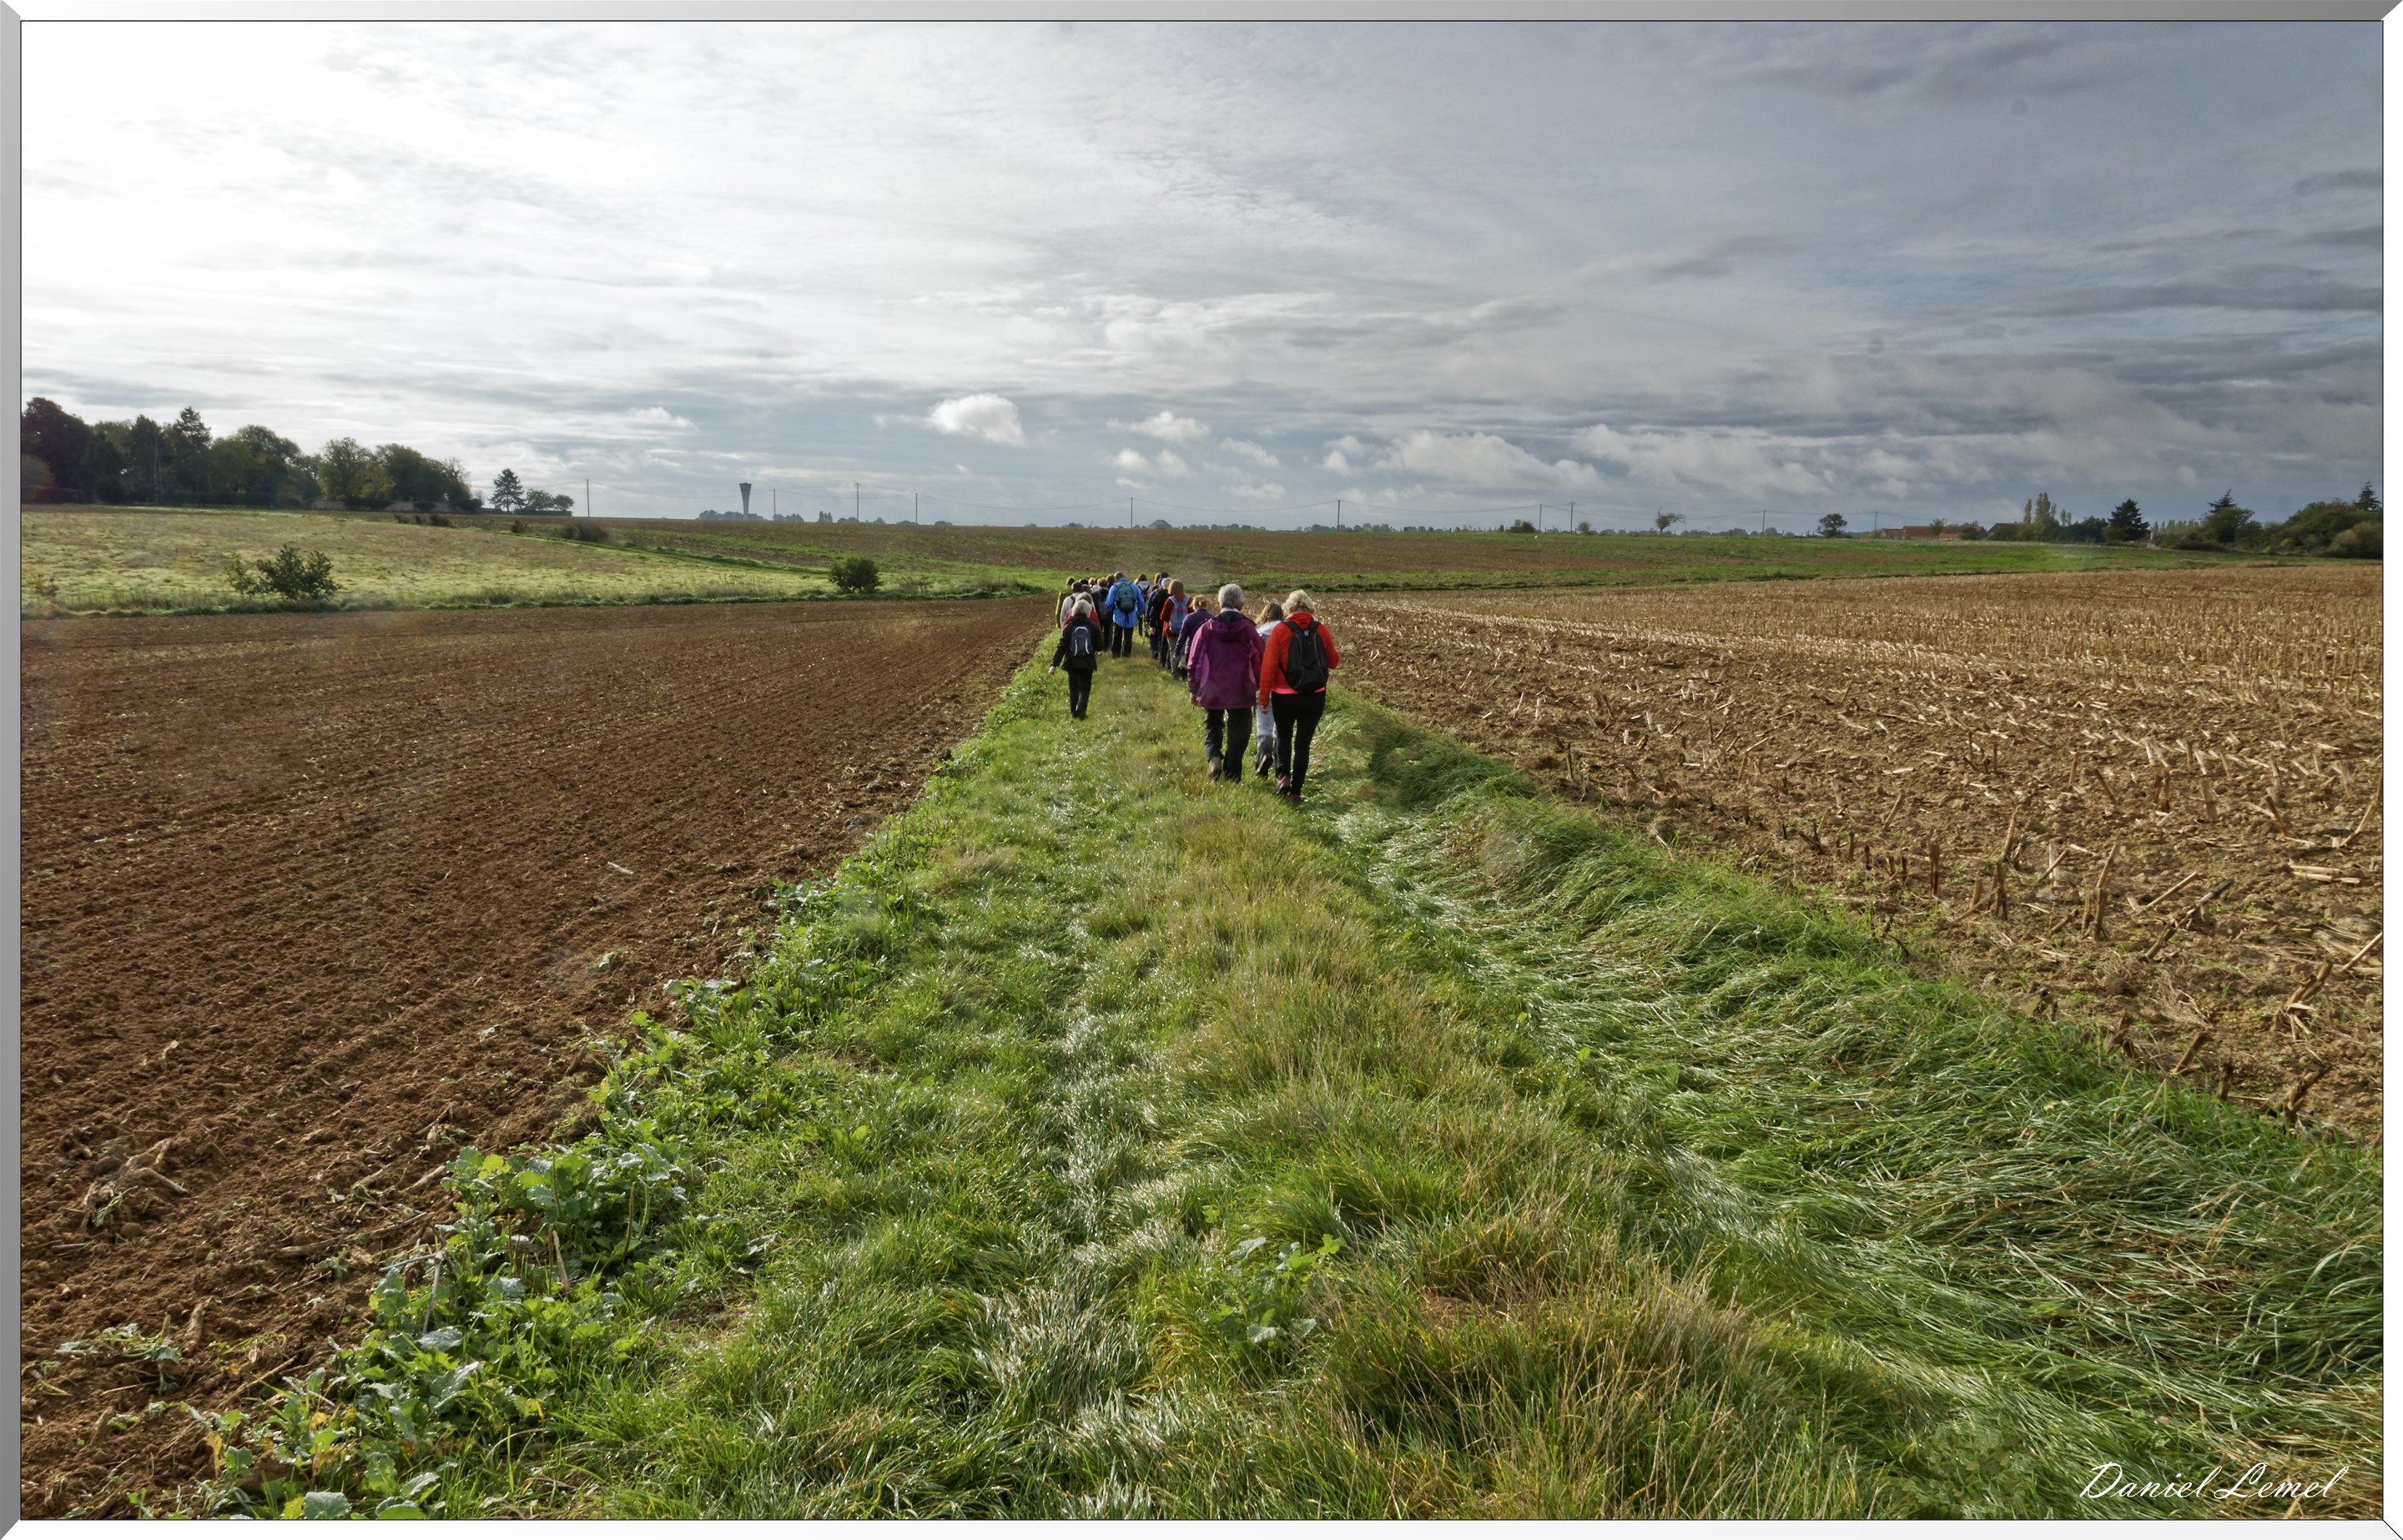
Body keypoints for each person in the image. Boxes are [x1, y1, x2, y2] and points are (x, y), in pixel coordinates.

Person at [1258, 590, 1339, 800]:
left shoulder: (1280, 631)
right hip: (1314, 695)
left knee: (1283, 737)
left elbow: (1268, 668)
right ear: (1310, 608)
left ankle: (1283, 777)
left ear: (1289, 609)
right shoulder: (1320, 629)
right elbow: (1333, 661)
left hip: (1284, 696)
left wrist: (1264, 698)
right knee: (1303, 744)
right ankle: (1296, 791)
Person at [1186, 583, 1262, 782]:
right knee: (1240, 731)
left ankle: (1214, 758)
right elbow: (1258, 659)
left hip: (1213, 688)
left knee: (1212, 725)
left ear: (1219, 603)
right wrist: (1260, 685)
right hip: (1241, 688)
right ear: (1242, 605)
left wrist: (1194, 689)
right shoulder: (1249, 629)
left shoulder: (1206, 629)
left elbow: (1194, 661)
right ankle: (1232, 773)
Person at [1049, 596, 1103, 719]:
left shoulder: (1069, 627)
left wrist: (1054, 665)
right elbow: (1100, 645)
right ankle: (1081, 709)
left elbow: (1061, 646)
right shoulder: (1093, 626)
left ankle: (1074, 713)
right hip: (1087, 662)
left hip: (1071, 662)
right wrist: (1097, 650)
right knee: (1085, 688)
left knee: (1073, 689)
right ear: (1088, 611)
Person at [1251, 601, 1285, 778]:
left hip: (1262, 685)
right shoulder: (1288, 632)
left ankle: (1264, 756)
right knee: (1281, 728)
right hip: (1285, 689)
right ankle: (1281, 768)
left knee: (1264, 726)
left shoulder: (1259, 634)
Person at [1106, 571, 1143, 657]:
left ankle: (1116, 655)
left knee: (1117, 636)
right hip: (1131, 616)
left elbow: (1109, 603)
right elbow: (1141, 601)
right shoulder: (1134, 586)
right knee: (1128, 637)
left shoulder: (1114, 587)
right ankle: (1126, 655)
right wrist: (1140, 612)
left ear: (1116, 579)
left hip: (1118, 616)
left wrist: (1111, 610)